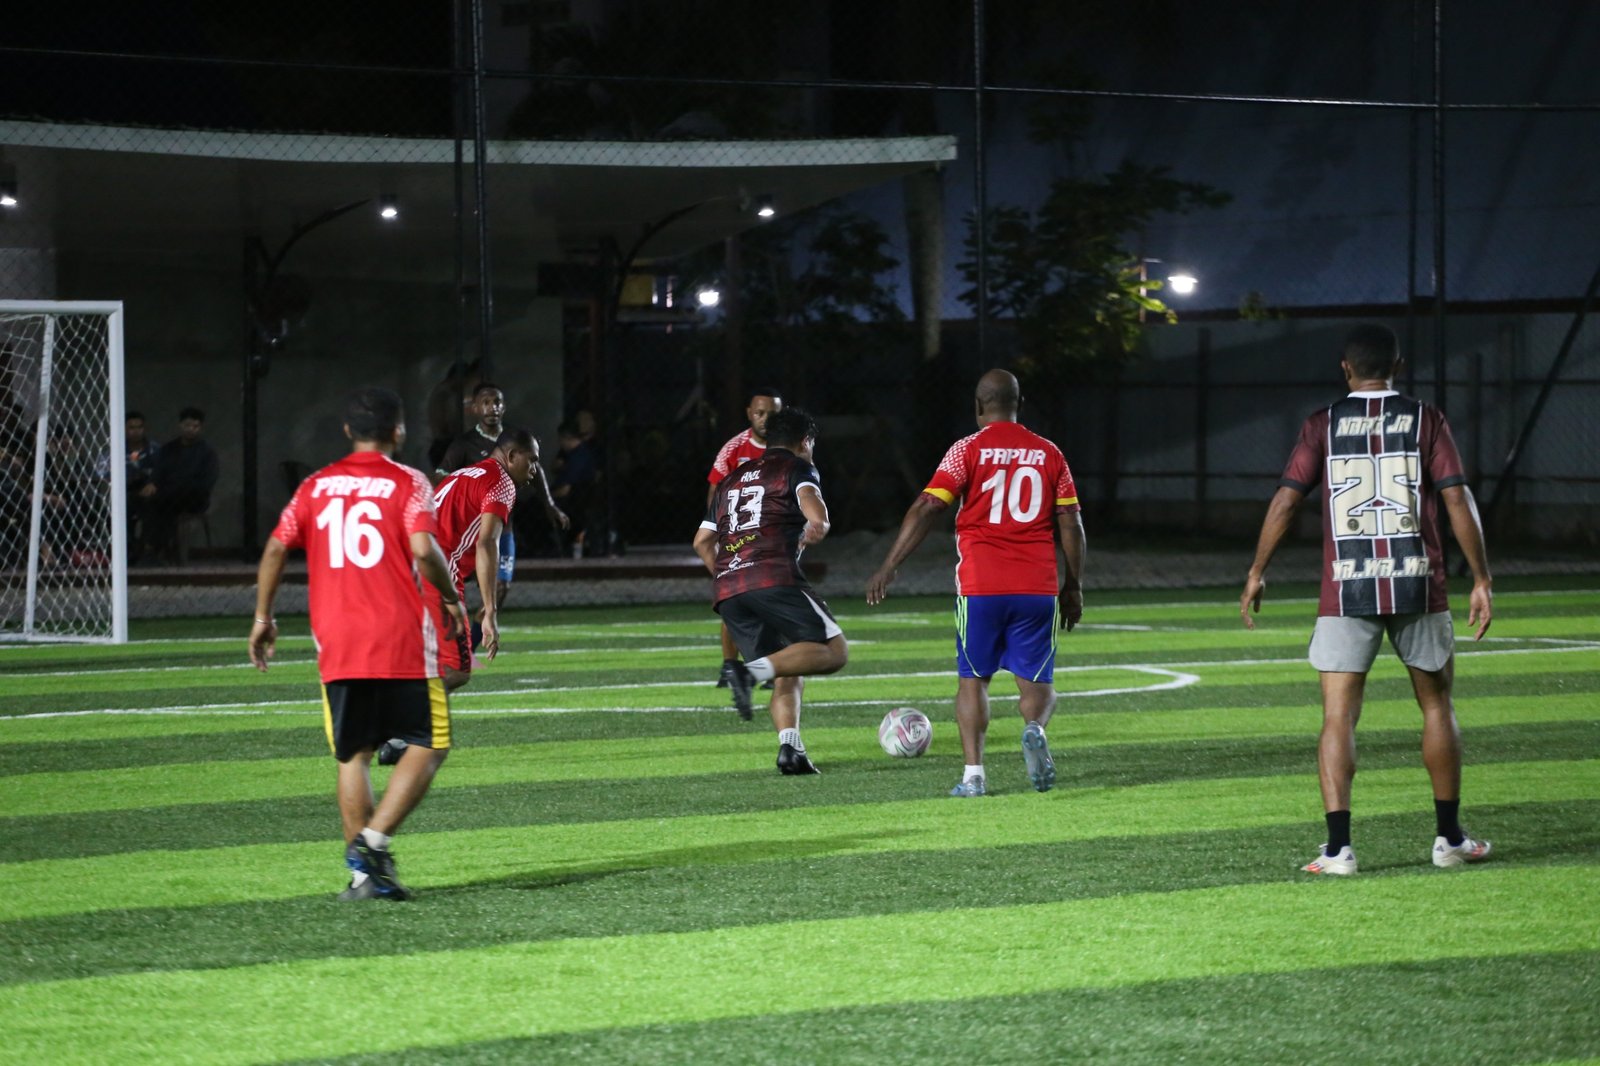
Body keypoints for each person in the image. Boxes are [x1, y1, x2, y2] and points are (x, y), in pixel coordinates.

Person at [1241, 324, 1495, 876]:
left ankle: (1339, 850)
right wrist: (1481, 577)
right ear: (1398, 367)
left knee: (1338, 715)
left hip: (1345, 585)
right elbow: (1456, 497)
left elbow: (1286, 501)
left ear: (1346, 368)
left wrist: (1258, 571)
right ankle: (1449, 839)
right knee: (1437, 706)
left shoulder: (1323, 423)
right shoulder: (1427, 419)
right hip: (1416, 581)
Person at [249, 386, 467, 902]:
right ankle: (371, 844)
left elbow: (277, 546)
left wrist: (263, 617)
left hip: (338, 641)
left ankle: (363, 880)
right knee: (431, 742)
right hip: (399, 638)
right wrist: (450, 596)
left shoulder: (316, 485)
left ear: (348, 431)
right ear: (399, 431)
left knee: (354, 754)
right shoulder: (408, 481)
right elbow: (423, 548)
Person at [867, 369, 1085, 798]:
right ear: (1019, 404)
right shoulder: (1049, 452)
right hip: (1037, 586)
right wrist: (1074, 584)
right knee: (1038, 684)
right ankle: (1035, 728)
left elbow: (928, 506)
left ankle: (974, 776)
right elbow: (1071, 522)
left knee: (973, 680)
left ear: (978, 405)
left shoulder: (966, 449)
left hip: (981, 586)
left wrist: (890, 564)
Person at [693, 406, 846, 772]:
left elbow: (701, 542)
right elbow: (816, 514)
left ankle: (790, 748)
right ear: (805, 441)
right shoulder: (797, 468)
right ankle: (748, 674)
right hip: (772, 577)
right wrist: (819, 525)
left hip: (729, 589)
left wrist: (730, 574)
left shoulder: (732, 479)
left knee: (790, 664)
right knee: (833, 652)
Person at [377, 428, 537, 767]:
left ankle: (397, 734)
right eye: (532, 460)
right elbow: (487, 543)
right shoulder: (502, 483)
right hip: (436, 569)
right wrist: (490, 610)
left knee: (426, 658)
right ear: (511, 456)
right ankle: (391, 720)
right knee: (457, 669)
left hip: (402, 560)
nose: (535, 469)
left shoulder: (468, 472)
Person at [438, 383, 567, 607]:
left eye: (497, 402)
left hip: (504, 527)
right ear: (474, 408)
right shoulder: (464, 444)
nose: (492, 407)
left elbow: (536, 470)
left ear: (504, 407)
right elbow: (442, 476)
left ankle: (479, 628)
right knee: (456, 585)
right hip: (471, 529)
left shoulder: (515, 439)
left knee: (500, 587)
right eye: (486, 403)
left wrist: (549, 503)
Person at [706, 387, 783, 695]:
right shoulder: (734, 449)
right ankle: (730, 666)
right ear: (750, 413)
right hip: (738, 540)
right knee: (734, 602)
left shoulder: (791, 448)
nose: (765, 419)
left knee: (774, 603)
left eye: (772, 414)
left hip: (776, 539)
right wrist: (717, 532)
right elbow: (715, 491)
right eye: (760, 413)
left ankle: (771, 667)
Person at [140, 406, 220, 563]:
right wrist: (152, 483)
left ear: (201, 428)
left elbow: (207, 482)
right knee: (149, 502)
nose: (191, 429)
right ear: (180, 425)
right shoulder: (168, 449)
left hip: (194, 498)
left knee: (156, 504)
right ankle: (155, 549)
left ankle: (151, 549)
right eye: (188, 425)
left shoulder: (207, 452)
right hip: (166, 495)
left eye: (195, 426)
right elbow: (158, 471)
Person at [96, 410, 159, 563]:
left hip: (150, 495)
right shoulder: (114, 449)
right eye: (131, 427)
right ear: (124, 429)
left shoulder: (154, 449)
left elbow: (165, 471)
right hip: (124, 494)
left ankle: (147, 551)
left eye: (139, 427)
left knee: (154, 512)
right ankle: (126, 551)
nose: (136, 431)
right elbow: (101, 471)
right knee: (115, 513)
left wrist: (153, 483)